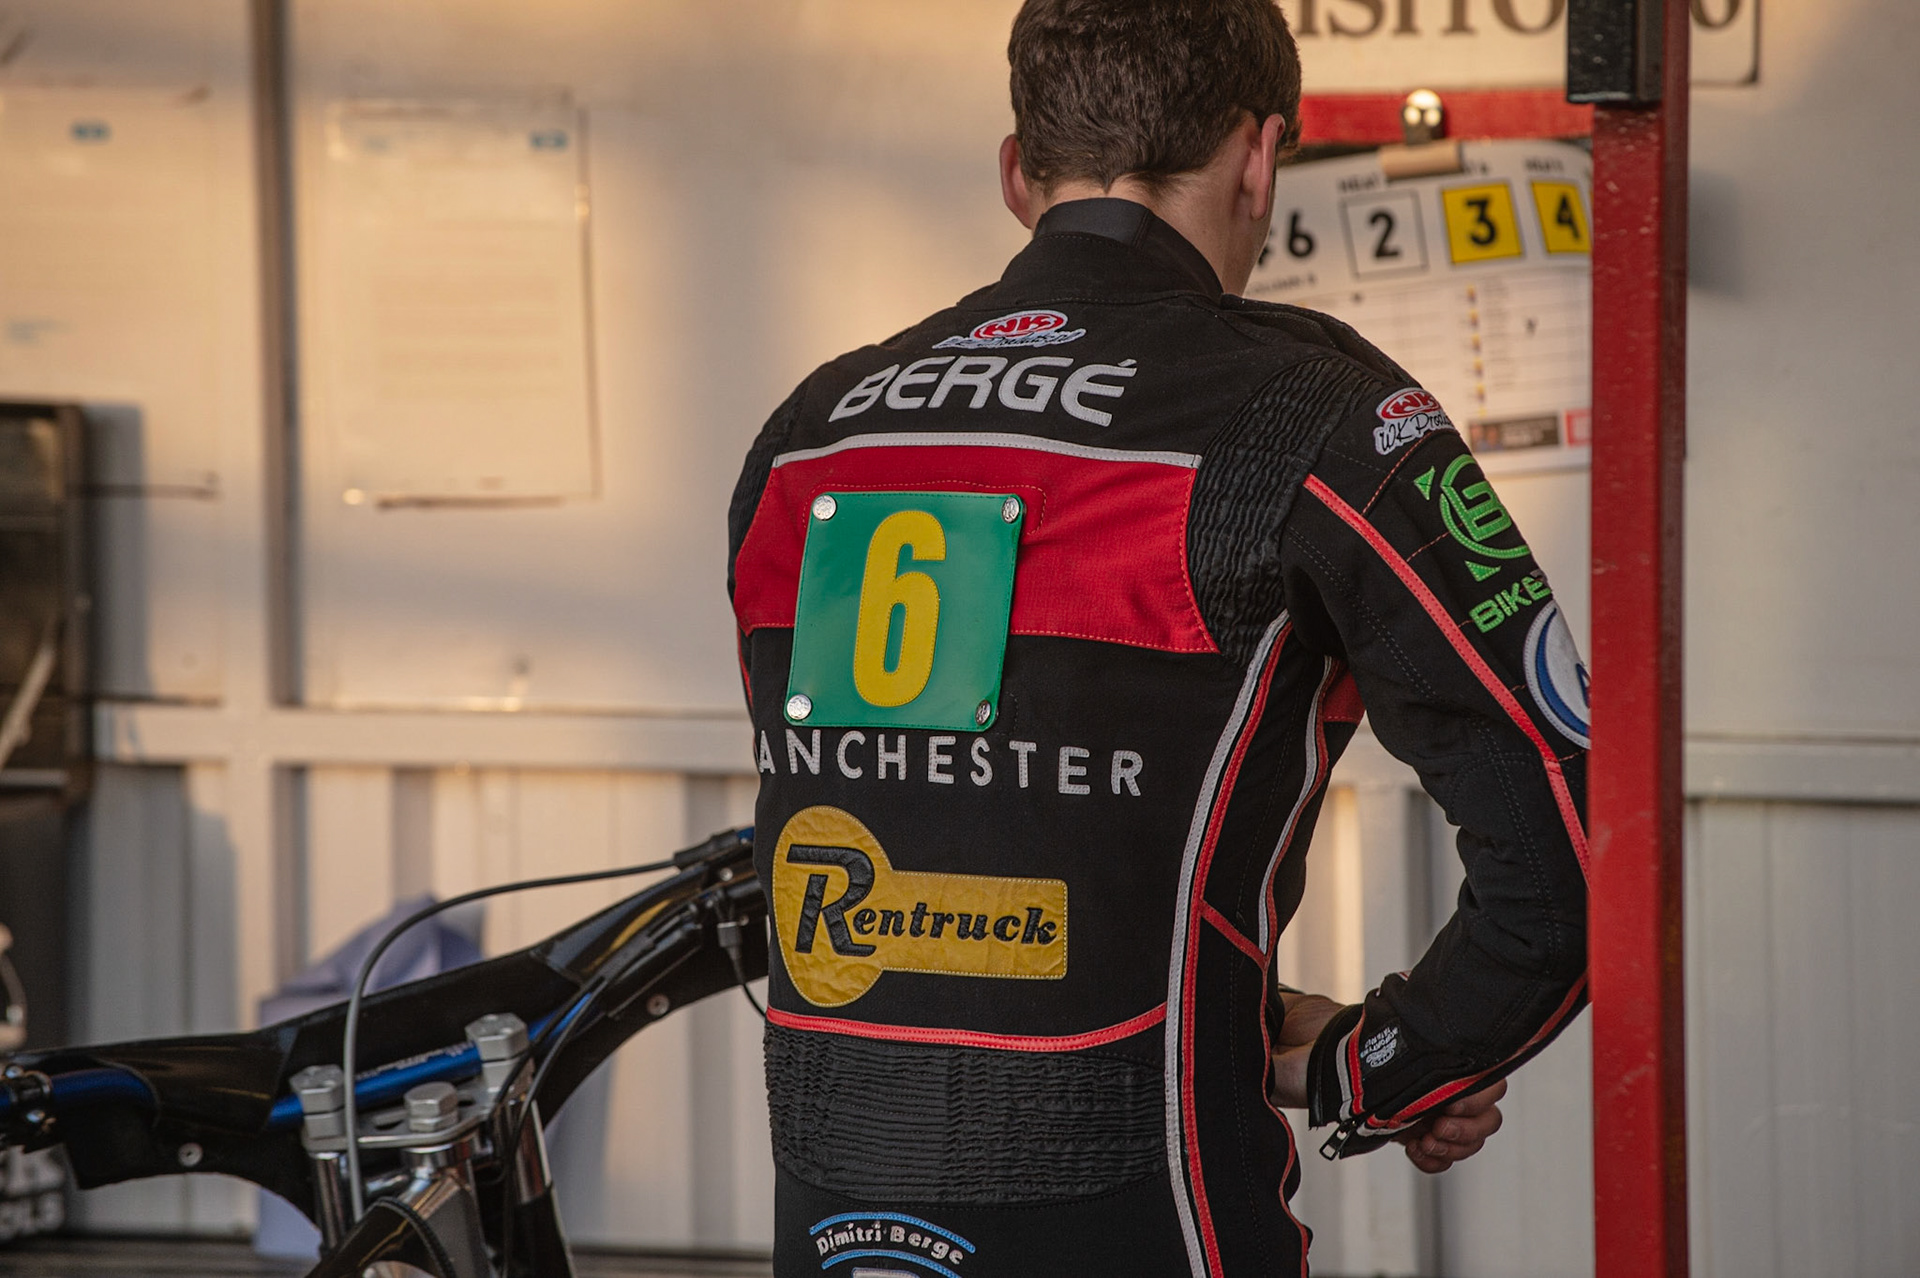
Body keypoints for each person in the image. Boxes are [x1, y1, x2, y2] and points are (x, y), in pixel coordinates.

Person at [726, 1, 1590, 1273]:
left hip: (835, 1200)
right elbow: (1568, 842)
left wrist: (1304, 1037)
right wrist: (1392, 1060)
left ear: (1019, 172)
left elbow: (973, 838)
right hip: (1143, 1203)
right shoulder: (1316, 416)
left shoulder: (813, 432)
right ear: (1260, 157)